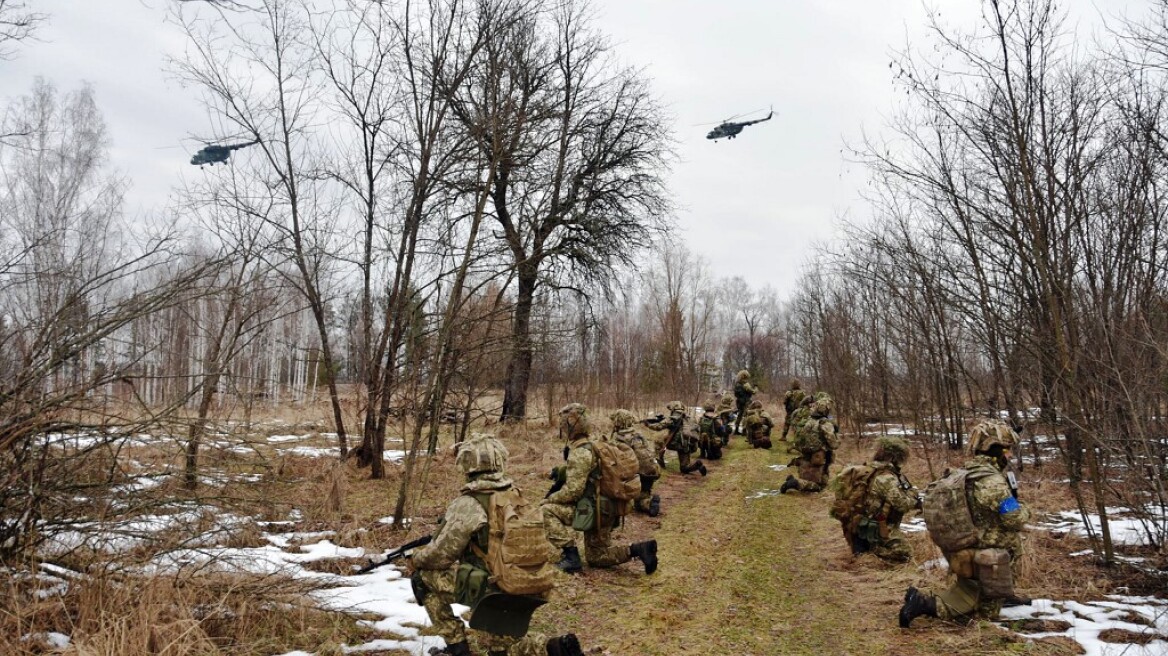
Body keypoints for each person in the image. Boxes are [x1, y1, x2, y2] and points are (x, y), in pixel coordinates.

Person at [409, 433, 584, 656]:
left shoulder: (469, 503)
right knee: (501, 650)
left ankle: (457, 647)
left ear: (468, 464)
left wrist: (416, 559)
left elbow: (441, 556)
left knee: (422, 579)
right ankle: (555, 647)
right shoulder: (516, 495)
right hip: (532, 583)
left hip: (495, 588)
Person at [899, 420, 1030, 627]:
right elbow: (1014, 518)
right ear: (995, 451)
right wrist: (1026, 511)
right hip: (986, 552)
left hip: (968, 546)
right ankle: (923, 604)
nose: (1010, 456)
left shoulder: (966, 473)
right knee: (982, 616)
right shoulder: (991, 481)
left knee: (978, 595)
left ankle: (1000, 595)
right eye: (1007, 450)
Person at [542, 403, 658, 575]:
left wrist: (550, 499)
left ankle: (571, 557)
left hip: (595, 510)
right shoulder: (594, 445)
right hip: (607, 508)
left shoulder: (580, 452)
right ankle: (639, 549)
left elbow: (573, 490)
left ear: (570, 426)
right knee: (597, 557)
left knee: (546, 511)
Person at [833, 437, 917, 563]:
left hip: (855, 528)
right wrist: (913, 495)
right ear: (896, 458)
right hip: (876, 529)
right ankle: (874, 549)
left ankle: (861, 549)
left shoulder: (865, 470)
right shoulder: (886, 478)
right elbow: (902, 505)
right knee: (904, 553)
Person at [781, 393, 839, 493]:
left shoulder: (810, 420)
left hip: (807, 456)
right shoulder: (825, 423)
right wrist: (838, 442)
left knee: (814, 479)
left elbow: (801, 438)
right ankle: (795, 483)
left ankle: (797, 469)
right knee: (819, 487)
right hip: (818, 458)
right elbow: (833, 445)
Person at [609, 409, 661, 516]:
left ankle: (635, 502)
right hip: (653, 470)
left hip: (636, 474)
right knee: (642, 497)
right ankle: (649, 503)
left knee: (634, 502)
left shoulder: (619, 438)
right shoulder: (638, 435)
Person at [645, 401, 707, 476]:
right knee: (684, 468)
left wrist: (648, 424)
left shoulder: (674, 417)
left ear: (673, 408)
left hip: (677, 443)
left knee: (658, 441)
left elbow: (658, 427)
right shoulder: (688, 417)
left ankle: (660, 461)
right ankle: (697, 465)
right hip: (688, 445)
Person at [732, 370, 758, 435]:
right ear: (745, 376)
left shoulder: (737, 383)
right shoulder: (746, 384)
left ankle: (736, 429)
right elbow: (753, 392)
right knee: (745, 416)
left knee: (739, 415)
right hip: (746, 402)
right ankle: (744, 430)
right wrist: (756, 387)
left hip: (739, 402)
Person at [781, 379, 806, 443]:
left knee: (787, 423)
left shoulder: (789, 392)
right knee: (797, 424)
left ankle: (783, 436)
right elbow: (805, 402)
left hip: (790, 410)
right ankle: (797, 438)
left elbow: (784, 402)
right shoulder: (803, 393)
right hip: (799, 411)